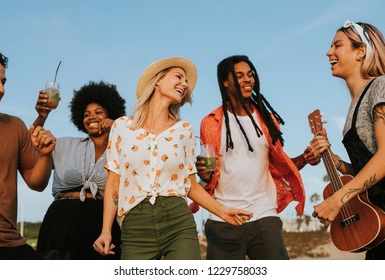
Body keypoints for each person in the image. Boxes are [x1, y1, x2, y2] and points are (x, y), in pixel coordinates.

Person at [93, 57, 253, 260]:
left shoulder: (184, 130)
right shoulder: (122, 127)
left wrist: (223, 212)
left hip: (178, 220)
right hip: (135, 225)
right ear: (157, 81)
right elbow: (113, 184)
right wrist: (106, 230)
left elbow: (191, 185)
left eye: (186, 81)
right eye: (179, 77)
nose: (185, 84)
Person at [191, 55, 319, 260]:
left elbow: (279, 167)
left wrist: (305, 157)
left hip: (263, 213)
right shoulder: (211, 122)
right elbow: (209, 175)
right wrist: (204, 173)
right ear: (225, 82)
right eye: (239, 75)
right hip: (223, 216)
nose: (247, 79)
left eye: (250, 75)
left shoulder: (268, 120)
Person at [309, 20, 385, 260]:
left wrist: (337, 199)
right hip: (378, 223)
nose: (328, 52)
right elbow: (368, 172)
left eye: (337, 45)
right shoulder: (352, 110)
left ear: (360, 51)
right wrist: (337, 162)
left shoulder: (380, 86)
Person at [34, 81, 126, 259]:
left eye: (99, 113)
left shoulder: (123, 149)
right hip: (61, 220)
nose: (91, 117)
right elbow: (31, 147)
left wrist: (119, 130)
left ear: (111, 115)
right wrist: (42, 116)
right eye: (86, 114)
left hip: (102, 220)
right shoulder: (64, 144)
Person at [0, 48, 56, 260]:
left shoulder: (14, 126)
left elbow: (36, 183)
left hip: (7, 242)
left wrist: (45, 155)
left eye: (3, 81)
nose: (0, 89)